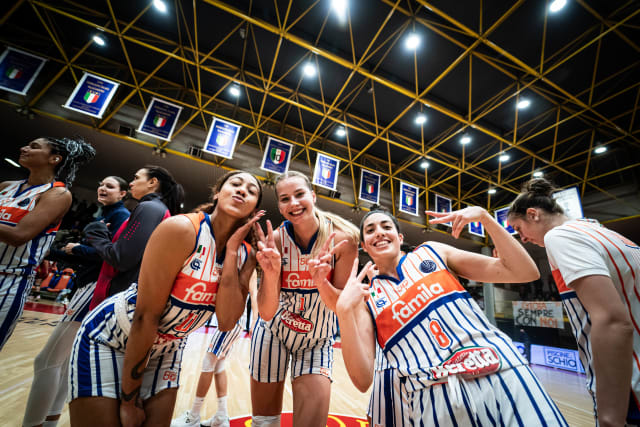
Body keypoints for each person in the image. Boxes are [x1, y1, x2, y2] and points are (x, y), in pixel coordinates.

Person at [314, 206, 567, 425]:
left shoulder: (432, 252)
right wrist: (344, 311)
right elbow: (362, 380)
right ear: (364, 246)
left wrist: (485, 218)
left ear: (400, 237)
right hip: (434, 396)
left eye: (386, 226)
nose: (379, 232)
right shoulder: (366, 297)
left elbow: (524, 271)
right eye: (370, 230)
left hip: (502, 370)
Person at [68, 171, 263, 427]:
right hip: (114, 335)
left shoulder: (246, 255)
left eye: (251, 191)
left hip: (168, 347)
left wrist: (233, 251)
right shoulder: (181, 228)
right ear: (217, 193)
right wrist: (129, 402)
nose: (242, 190)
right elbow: (145, 316)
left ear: (254, 209)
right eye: (235, 184)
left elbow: (226, 322)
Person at [507, 178, 640, 427]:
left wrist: (610, 416)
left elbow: (612, 321)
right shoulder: (604, 232)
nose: (522, 238)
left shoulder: (560, 237)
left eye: (519, 229)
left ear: (533, 214)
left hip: (628, 385)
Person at [251, 171, 359, 427]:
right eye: (285, 199)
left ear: (313, 196)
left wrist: (321, 282)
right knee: (264, 423)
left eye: (299, 195)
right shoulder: (277, 241)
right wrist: (271, 273)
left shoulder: (343, 239)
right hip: (273, 333)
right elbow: (266, 313)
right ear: (280, 206)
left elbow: (341, 307)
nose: (294, 203)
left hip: (317, 340)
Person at [22, 175, 130, 427]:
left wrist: (77, 249)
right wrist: (51, 250)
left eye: (110, 186)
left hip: (94, 289)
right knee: (62, 363)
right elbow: (85, 256)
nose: (102, 188)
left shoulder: (120, 216)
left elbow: (111, 256)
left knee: (46, 361)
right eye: (101, 184)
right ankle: (50, 421)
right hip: (85, 286)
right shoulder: (105, 215)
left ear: (123, 194)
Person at [0, 136, 95, 350]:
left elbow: (19, 235)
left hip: (9, 280)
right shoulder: (6, 187)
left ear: (54, 159)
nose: (24, 148)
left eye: (33, 147)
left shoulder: (58, 194)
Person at [87, 165, 185, 308]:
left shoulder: (150, 208)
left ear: (152, 182)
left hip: (120, 300)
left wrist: (96, 233)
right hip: (124, 297)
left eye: (136, 178)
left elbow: (120, 259)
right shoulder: (155, 208)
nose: (131, 183)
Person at [171, 271, 258, 427]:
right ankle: (221, 416)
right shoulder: (231, 261)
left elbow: (254, 293)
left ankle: (194, 416)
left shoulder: (248, 263)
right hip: (228, 319)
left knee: (208, 361)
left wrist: (255, 320)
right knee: (219, 365)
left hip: (233, 320)